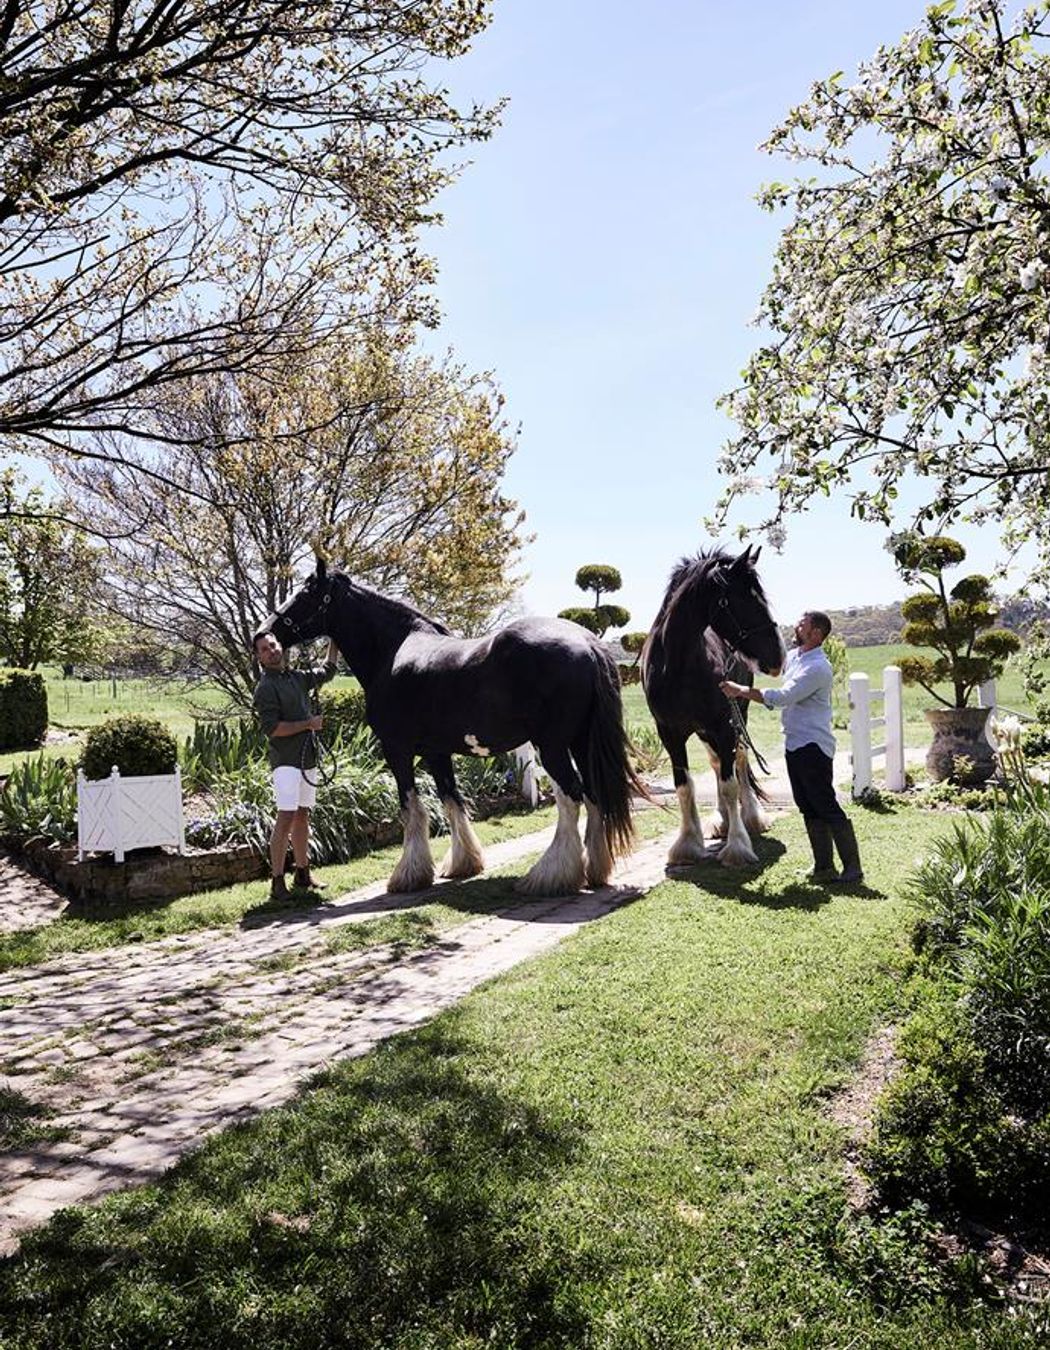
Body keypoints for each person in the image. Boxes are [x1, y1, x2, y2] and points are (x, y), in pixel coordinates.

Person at [720, 611, 863, 884]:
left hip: (813, 746)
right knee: (807, 805)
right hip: (795, 743)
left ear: (816, 633)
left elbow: (785, 696)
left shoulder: (818, 668)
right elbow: (773, 669)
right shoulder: (797, 657)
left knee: (825, 805)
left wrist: (740, 690)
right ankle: (824, 868)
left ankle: (853, 869)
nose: (797, 626)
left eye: (803, 624)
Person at [253, 629, 340, 900]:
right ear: (258, 657)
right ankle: (277, 882)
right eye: (265, 649)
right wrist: (308, 724)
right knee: (286, 816)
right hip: (286, 762)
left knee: (303, 814)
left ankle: (303, 873)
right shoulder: (266, 687)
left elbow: (328, 671)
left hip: (307, 758)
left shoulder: (297, 677)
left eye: (274, 645)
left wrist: (336, 640)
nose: (272, 650)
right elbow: (273, 729)